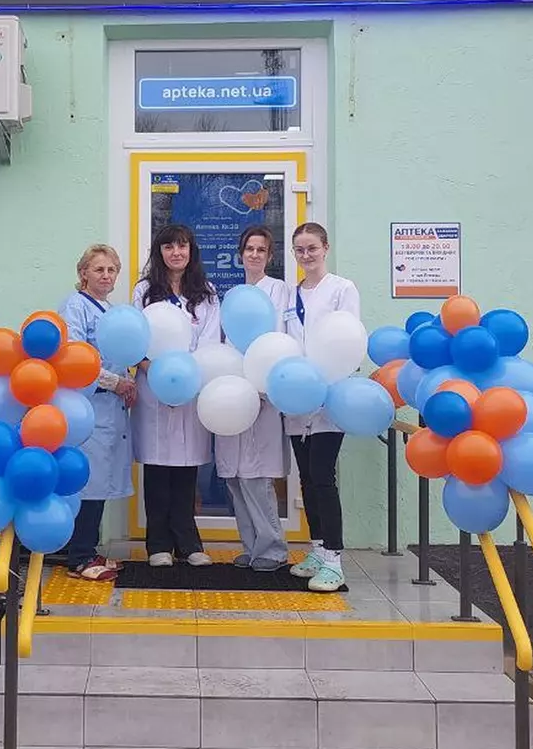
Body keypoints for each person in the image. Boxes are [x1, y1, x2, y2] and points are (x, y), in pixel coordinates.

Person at [132, 224, 220, 567]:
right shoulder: (144, 291)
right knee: (157, 470)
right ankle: (157, 545)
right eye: (168, 247)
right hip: (153, 388)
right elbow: (136, 341)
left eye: (182, 246)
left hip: (191, 389)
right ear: (160, 252)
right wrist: (156, 373)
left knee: (186, 470)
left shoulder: (207, 293)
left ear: (191, 251)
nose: (176, 253)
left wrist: (185, 379)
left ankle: (188, 543)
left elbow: (209, 343)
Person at [284, 221, 361, 593]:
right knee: (306, 478)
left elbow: (347, 340)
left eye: (312, 248)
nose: (306, 255)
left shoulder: (342, 289)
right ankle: (316, 550)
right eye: (299, 249)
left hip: (330, 398)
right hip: (297, 399)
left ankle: (334, 559)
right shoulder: (291, 295)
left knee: (322, 476)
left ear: (325, 248)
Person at [58, 244, 136, 581]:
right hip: (88, 407)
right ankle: (79, 556)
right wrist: (116, 382)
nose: (106, 276)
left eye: (111, 270)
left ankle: (89, 548)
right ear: (83, 273)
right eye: (98, 269)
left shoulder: (111, 311)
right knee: (87, 481)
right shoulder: (75, 307)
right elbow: (75, 358)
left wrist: (127, 381)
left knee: (101, 480)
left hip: (110, 408)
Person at [215, 226, 290, 571]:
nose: (255, 254)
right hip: (232, 394)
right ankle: (250, 546)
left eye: (261, 249)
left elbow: (279, 340)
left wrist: (262, 385)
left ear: (269, 256)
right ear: (241, 254)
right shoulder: (233, 295)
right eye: (249, 249)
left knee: (257, 476)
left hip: (263, 394)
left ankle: (273, 548)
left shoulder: (279, 291)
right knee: (234, 476)